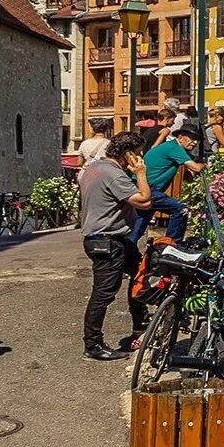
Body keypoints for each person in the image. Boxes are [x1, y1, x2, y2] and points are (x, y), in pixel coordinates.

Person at [79, 131, 152, 361]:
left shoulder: (93, 168)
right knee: (103, 294)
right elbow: (144, 201)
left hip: (107, 239)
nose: (141, 158)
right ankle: (93, 345)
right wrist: (140, 173)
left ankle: (141, 326)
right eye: (138, 154)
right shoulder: (113, 174)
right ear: (127, 154)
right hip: (107, 241)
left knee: (140, 272)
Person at [140, 123, 200, 242]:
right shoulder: (174, 148)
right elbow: (196, 168)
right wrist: (203, 165)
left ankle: (128, 254)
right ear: (180, 137)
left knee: (140, 223)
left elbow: (189, 176)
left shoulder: (174, 147)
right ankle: (170, 245)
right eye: (191, 138)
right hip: (148, 189)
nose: (194, 142)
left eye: (196, 140)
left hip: (145, 188)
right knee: (181, 209)